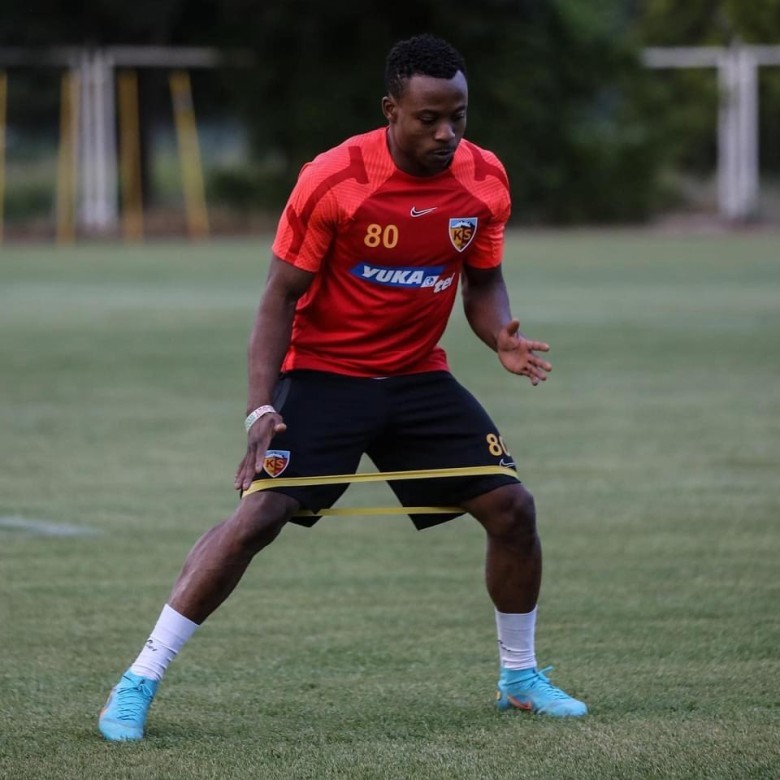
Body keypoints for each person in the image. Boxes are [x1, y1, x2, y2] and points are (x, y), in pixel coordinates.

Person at [98, 32, 587, 741]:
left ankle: (520, 679)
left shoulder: (484, 179)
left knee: (512, 507)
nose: (446, 134)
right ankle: (138, 680)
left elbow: (483, 282)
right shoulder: (334, 180)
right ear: (391, 110)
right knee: (257, 520)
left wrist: (499, 336)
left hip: (417, 376)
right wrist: (259, 409)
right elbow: (278, 297)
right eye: (428, 119)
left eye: (458, 117)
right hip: (323, 375)